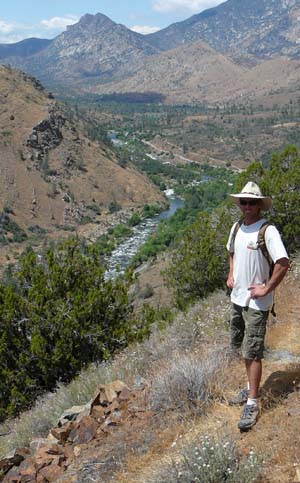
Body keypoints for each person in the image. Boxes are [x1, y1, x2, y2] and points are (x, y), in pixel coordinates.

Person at [226, 181, 289, 430]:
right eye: (244, 202)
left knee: (252, 352)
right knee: (243, 347)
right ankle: (251, 388)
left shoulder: (268, 231)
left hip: (257, 302)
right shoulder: (236, 227)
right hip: (237, 298)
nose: (248, 206)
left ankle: (252, 402)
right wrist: (231, 274)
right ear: (240, 204)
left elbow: (283, 262)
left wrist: (266, 289)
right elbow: (231, 252)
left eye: (253, 202)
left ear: (260, 205)